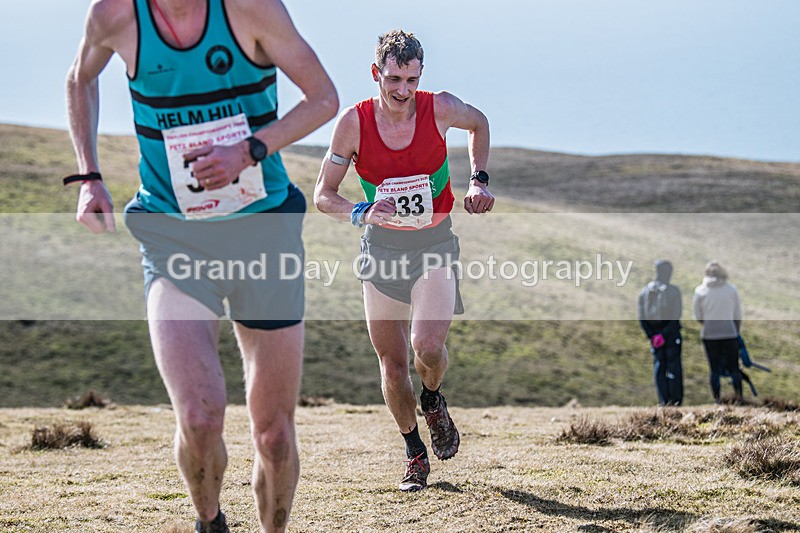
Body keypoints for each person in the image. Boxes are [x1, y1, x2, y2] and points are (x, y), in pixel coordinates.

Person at [65, 1, 337, 531]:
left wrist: (248, 151)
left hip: (264, 232)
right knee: (198, 416)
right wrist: (88, 176)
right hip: (174, 237)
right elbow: (80, 78)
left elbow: (323, 98)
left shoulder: (251, 10)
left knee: (274, 436)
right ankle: (210, 522)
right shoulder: (115, 15)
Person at [313, 29, 493, 492]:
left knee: (427, 347)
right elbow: (323, 195)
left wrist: (478, 179)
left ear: (421, 75)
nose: (403, 90)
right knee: (392, 365)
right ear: (376, 73)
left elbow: (480, 123)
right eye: (394, 79)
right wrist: (361, 210)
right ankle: (414, 452)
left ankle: (432, 399)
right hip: (381, 250)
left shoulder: (441, 108)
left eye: (412, 80)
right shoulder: (353, 124)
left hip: (433, 243)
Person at [693, 260, 744, 403]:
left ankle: (717, 399)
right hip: (729, 332)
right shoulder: (731, 290)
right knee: (734, 367)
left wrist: (707, 323)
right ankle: (739, 397)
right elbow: (738, 314)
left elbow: (697, 315)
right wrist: (736, 330)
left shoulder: (700, 291)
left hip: (709, 334)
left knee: (714, 369)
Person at [637, 260, 683, 406]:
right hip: (671, 335)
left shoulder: (645, 292)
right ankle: (675, 401)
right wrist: (665, 334)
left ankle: (663, 401)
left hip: (655, 336)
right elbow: (676, 316)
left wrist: (652, 335)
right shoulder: (674, 291)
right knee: (673, 366)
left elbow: (641, 316)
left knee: (659, 366)